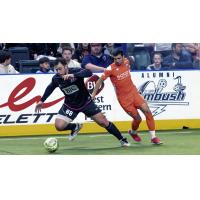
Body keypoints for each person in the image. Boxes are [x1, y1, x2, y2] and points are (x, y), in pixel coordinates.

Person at [35, 58, 130, 147]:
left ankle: (122, 139)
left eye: (60, 69)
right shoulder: (56, 78)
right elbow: (50, 88)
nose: (58, 72)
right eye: (56, 70)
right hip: (70, 105)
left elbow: (88, 72)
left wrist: (74, 75)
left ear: (66, 66)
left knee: (103, 122)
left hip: (86, 103)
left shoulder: (75, 71)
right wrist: (41, 100)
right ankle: (75, 127)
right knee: (59, 126)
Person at [91, 49, 162, 145]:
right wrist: (94, 94)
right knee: (138, 119)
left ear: (123, 57)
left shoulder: (127, 62)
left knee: (147, 111)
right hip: (124, 99)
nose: (117, 61)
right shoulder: (110, 69)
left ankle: (153, 137)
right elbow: (99, 81)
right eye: (115, 59)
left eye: (119, 58)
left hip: (134, 93)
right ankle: (133, 132)